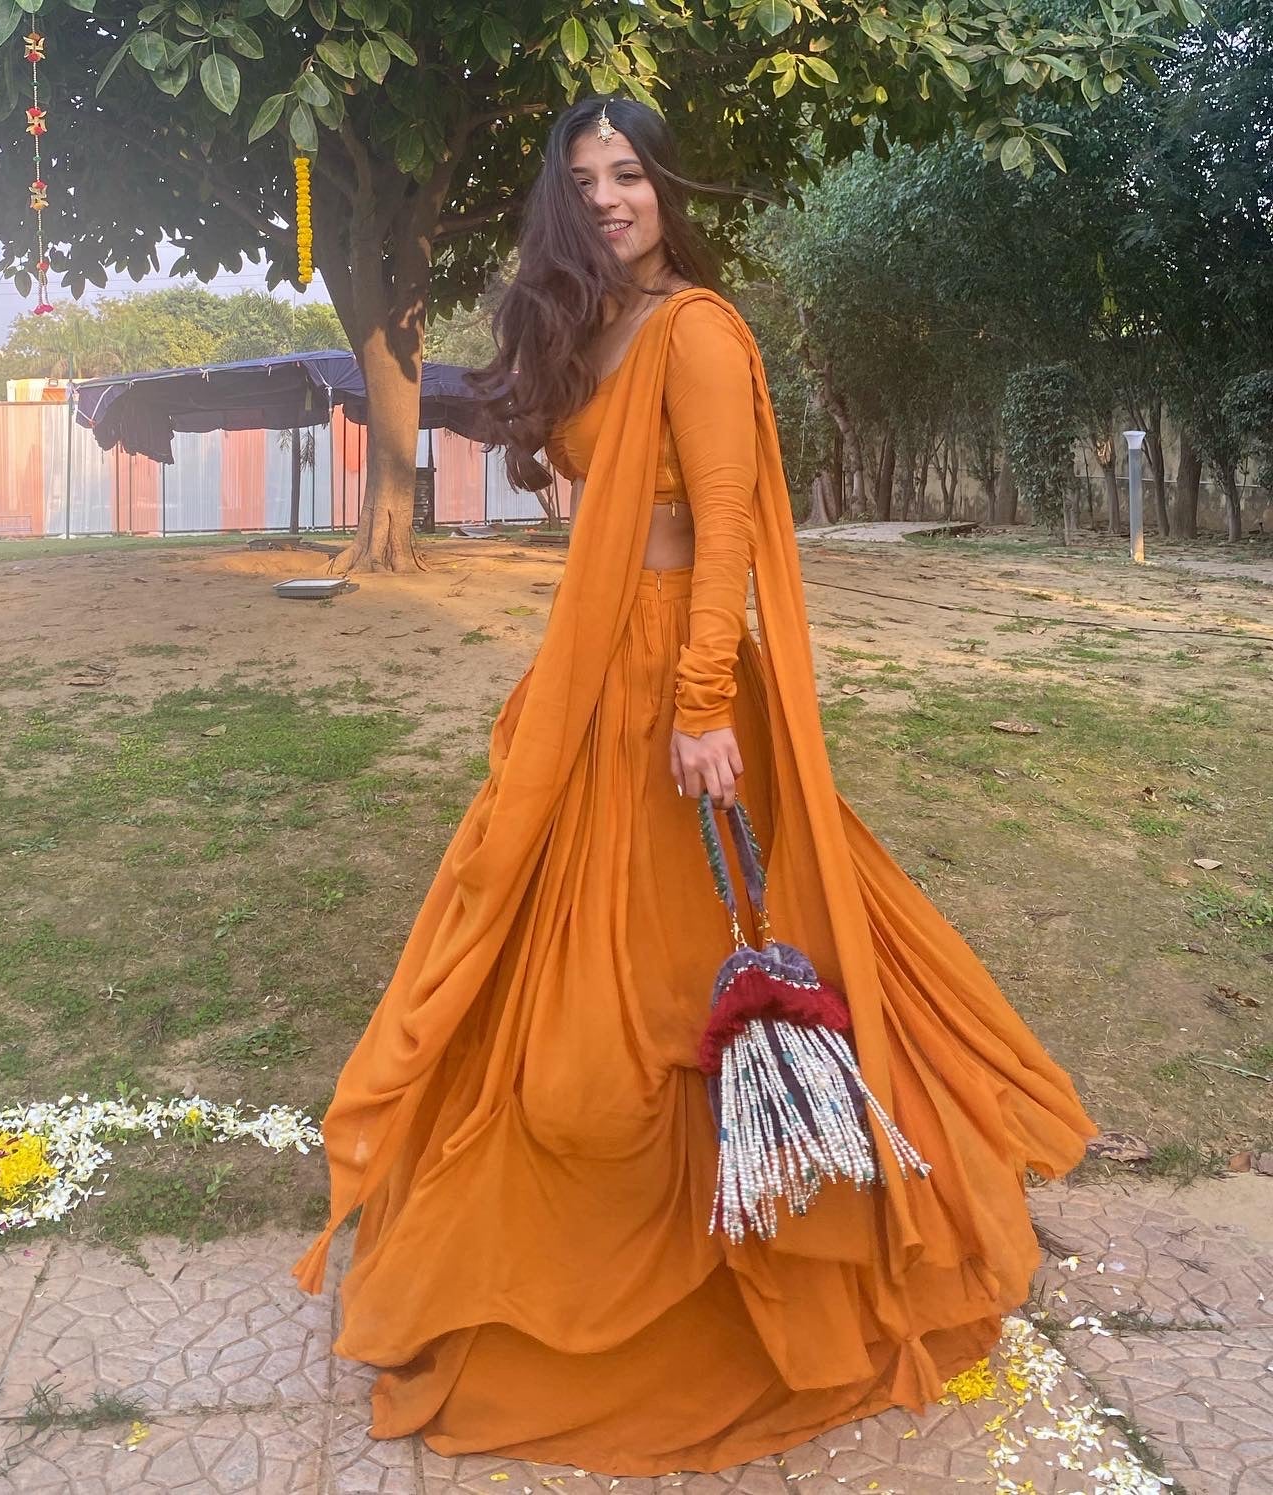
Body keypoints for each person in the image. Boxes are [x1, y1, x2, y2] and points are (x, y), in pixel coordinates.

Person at [294, 96, 1094, 1476]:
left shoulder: (700, 327)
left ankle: (754, 1247)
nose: (612, 198)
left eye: (633, 175)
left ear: (667, 186)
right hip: (602, 680)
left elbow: (721, 517)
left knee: (680, 967)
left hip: (683, 689)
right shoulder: (593, 320)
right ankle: (573, 1222)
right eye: (587, 178)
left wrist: (706, 701)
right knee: (562, 945)